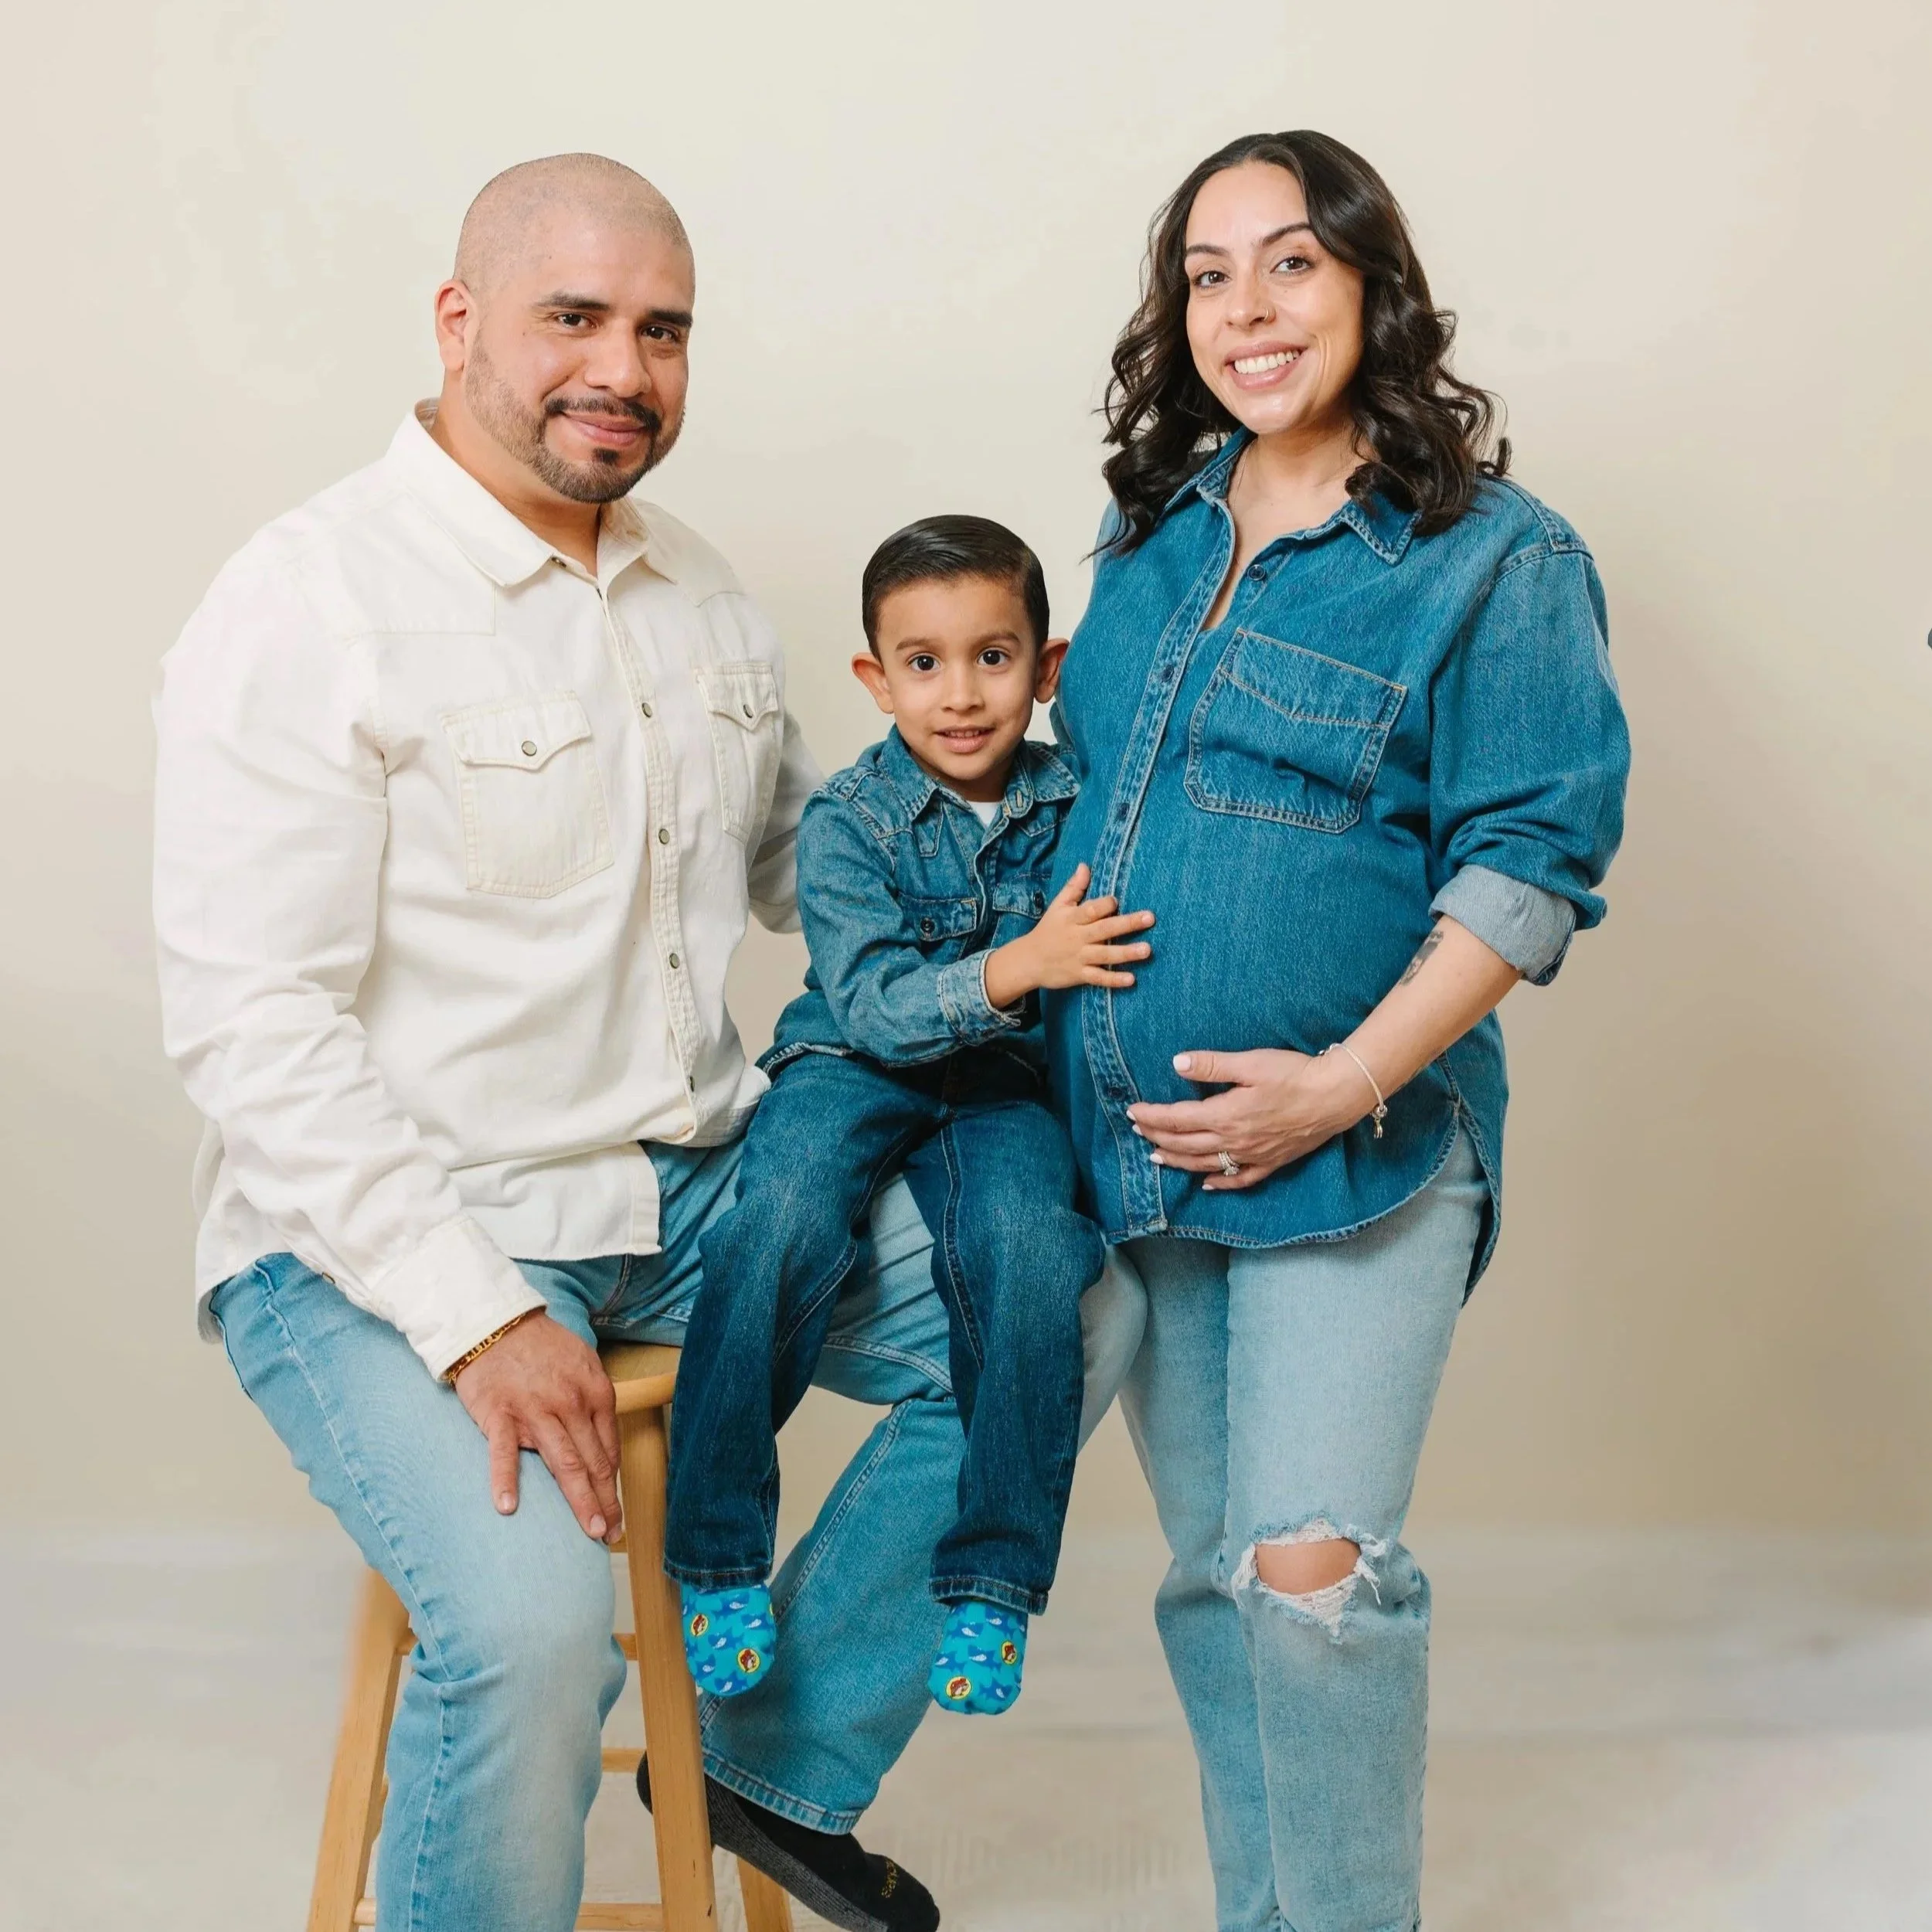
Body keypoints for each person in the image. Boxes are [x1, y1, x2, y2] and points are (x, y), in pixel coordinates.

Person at [152, 154, 1145, 1932]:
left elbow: (803, 866)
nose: (623, 365)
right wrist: (477, 1307)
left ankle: (773, 1760)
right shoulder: (306, 599)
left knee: (1071, 1299)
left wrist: (1071, 838)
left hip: (694, 1198)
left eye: (663, 329)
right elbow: (250, 1021)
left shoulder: (696, 596)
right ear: (458, 322)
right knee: (535, 1636)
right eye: (574, 318)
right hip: (390, 1233)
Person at [1045, 131, 1631, 1932]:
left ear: (1370, 284)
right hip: (1132, 1157)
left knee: (1311, 1579)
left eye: (1289, 262)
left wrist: (1340, 1082)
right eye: (1207, 275)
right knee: (1221, 1585)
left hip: (1361, 1148)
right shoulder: (1147, 534)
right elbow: (1079, 798)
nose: (1247, 309)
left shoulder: (1492, 558)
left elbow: (1528, 869)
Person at [665, 516, 1154, 1716]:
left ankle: (992, 1579)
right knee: (775, 1218)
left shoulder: (1083, 805)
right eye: (923, 664)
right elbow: (879, 1007)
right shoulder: (848, 820)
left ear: (1048, 670)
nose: (962, 695)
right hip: (854, 1059)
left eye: (995, 658)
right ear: (876, 680)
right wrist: (1022, 966)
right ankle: (719, 1558)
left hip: (1000, 1086)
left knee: (1040, 1253)